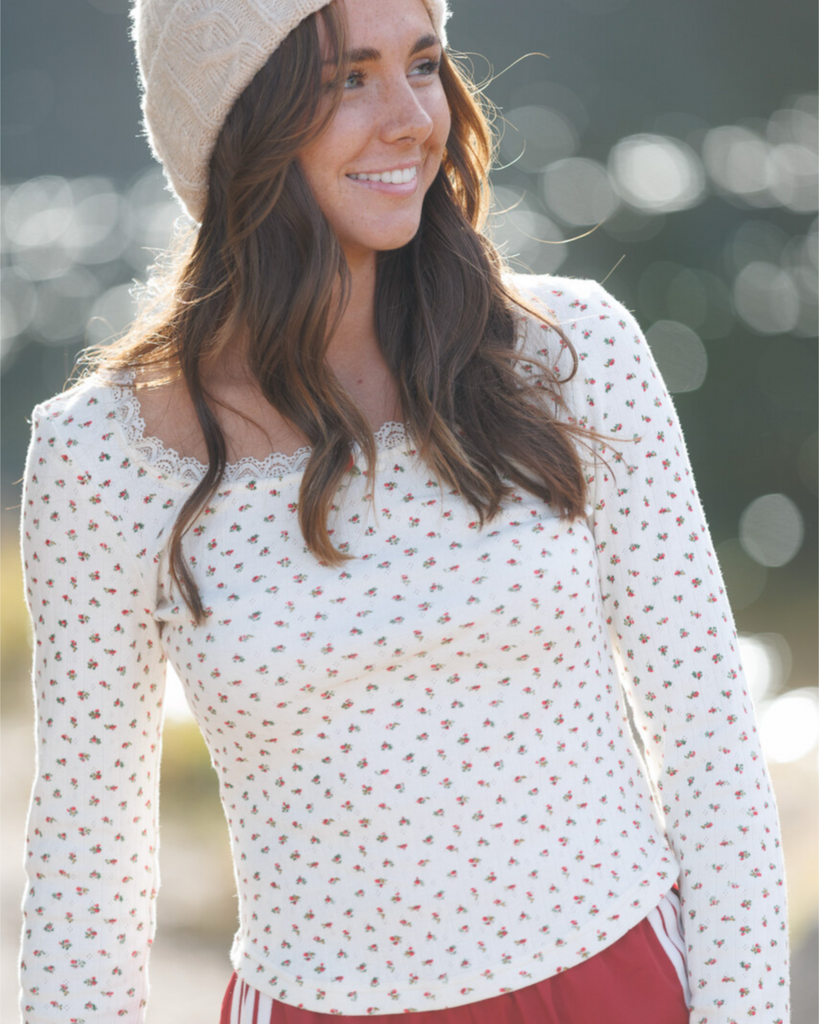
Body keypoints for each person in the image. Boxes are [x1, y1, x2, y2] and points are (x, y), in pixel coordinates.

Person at [18, 0, 790, 1021]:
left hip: (615, 987)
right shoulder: (101, 460)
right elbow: (87, 873)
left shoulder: (574, 354)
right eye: (348, 78)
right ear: (235, 119)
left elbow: (712, 747)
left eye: (422, 64)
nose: (412, 118)